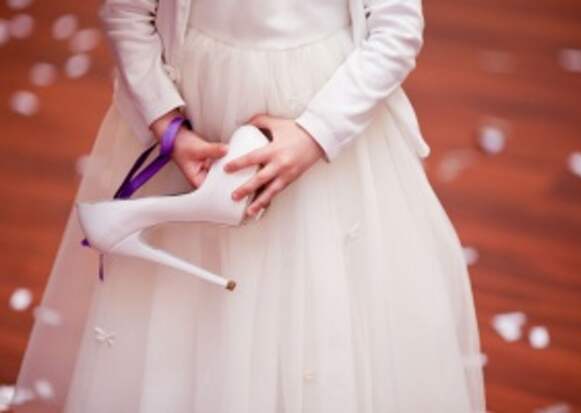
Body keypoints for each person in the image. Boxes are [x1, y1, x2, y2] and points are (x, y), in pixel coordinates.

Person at [11, 0, 487, 411]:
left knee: (318, 305)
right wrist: (167, 124)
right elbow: (127, 13)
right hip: (201, 114)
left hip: (326, 110)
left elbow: (396, 27)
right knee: (191, 320)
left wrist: (315, 133)